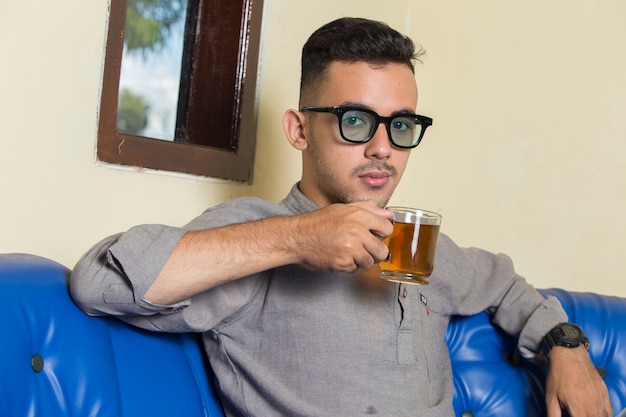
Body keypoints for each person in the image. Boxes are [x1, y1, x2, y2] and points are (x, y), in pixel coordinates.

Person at [70, 17, 613, 417]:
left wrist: (566, 347)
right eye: (356, 120)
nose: (383, 148)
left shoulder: (421, 244)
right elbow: (97, 283)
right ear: (299, 130)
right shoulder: (258, 233)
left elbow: (505, 285)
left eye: (401, 126)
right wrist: (300, 238)